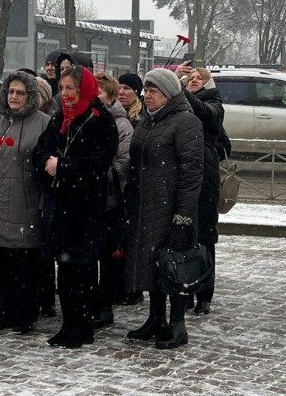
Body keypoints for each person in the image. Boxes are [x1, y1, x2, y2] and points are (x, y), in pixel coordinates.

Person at [34, 64, 118, 349]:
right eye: (63, 88)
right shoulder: (59, 117)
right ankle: (67, 324)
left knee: (81, 270)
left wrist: (65, 167)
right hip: (60, 205)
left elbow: (100, 162)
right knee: (65, 271)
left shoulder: (100, 119)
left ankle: (82, 326)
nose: (65, 94)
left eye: (71, 88)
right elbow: (41, 148)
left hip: (84, 207)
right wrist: (46, 161)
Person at [123, 68, 204, 350]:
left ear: (168, 94)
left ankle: (177, 324)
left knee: (175, 265)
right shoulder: (147, 121)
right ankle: (155, 318)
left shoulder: (186, 122)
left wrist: (183, 215)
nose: (147, 95)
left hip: (172, 208)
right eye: (146, 89)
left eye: (153, 90)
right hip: (145, 205)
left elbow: (192, 173)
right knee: (153, 264)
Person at [0, 71, 51, 334]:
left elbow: (45, 163)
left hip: (24, 201)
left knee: (25, 263)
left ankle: (25, 313)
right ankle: (4, 311)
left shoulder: (43, 123)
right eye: (10, 91)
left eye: (20, 92)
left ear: (31, 96)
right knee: (3, 263)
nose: (14, 97)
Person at [175, 63, 225, 315]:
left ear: (209, 84)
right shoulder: (181, 101)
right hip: (185, 171)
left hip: (205, 175)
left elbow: (202, 111)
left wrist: (178, 84)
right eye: (190, 77)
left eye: (199, 78)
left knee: (204, 236)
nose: (193, 80)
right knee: (184, 234)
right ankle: (185, 289)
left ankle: (204, 294)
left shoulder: (214, 104)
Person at [91, 72, 133, 329]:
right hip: (89, 200)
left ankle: (105, 304)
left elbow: (123, 164)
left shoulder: (121, 125)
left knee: (107, 257)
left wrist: (93, 171)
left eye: (98, 94)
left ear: (110, 97)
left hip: (109, 200)